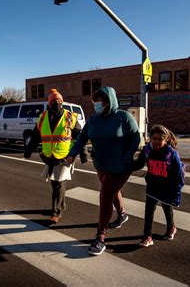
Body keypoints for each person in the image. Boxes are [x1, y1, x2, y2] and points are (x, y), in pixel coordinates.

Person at [65, 87, 140, 256]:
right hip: (101, 165)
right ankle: (122, 215)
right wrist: (72, 155)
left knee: (106, 196)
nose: (98, 105)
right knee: (112, 191)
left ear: (109, 101)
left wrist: (127, 155)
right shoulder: (93, 120)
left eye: (101, 101)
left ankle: (100, 238)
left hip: (120, 166)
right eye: (96, 102)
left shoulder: (124, 117)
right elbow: (82, 138)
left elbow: (136, 137)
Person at [24, 88, 87, 224]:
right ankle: (61, 205)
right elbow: (35, 137)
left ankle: (56, 212)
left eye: (59, 101)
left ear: (62, 102)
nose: (57, 103)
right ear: (49, 103)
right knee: (55, 184)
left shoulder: (70, 117)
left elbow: (80, 137)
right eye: (54, 101)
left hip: (65, 157)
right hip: (49, 157)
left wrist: (83, 153)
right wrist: (28, 151)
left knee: (59, 183)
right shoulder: (43, 118)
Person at [132, 124, 185, 248]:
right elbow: (138, 164)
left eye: (160, 139)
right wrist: (125, 165)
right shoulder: (147, 150)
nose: (156, 141)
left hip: (167, 187)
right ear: (150, 138)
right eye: (154, 138)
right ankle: (147, 237)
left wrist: (176, 194)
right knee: (149, 211)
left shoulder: (171, 153)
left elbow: (179, 176)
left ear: (165, 139)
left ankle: (171, 228)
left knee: (167, 208)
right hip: (152, 186)